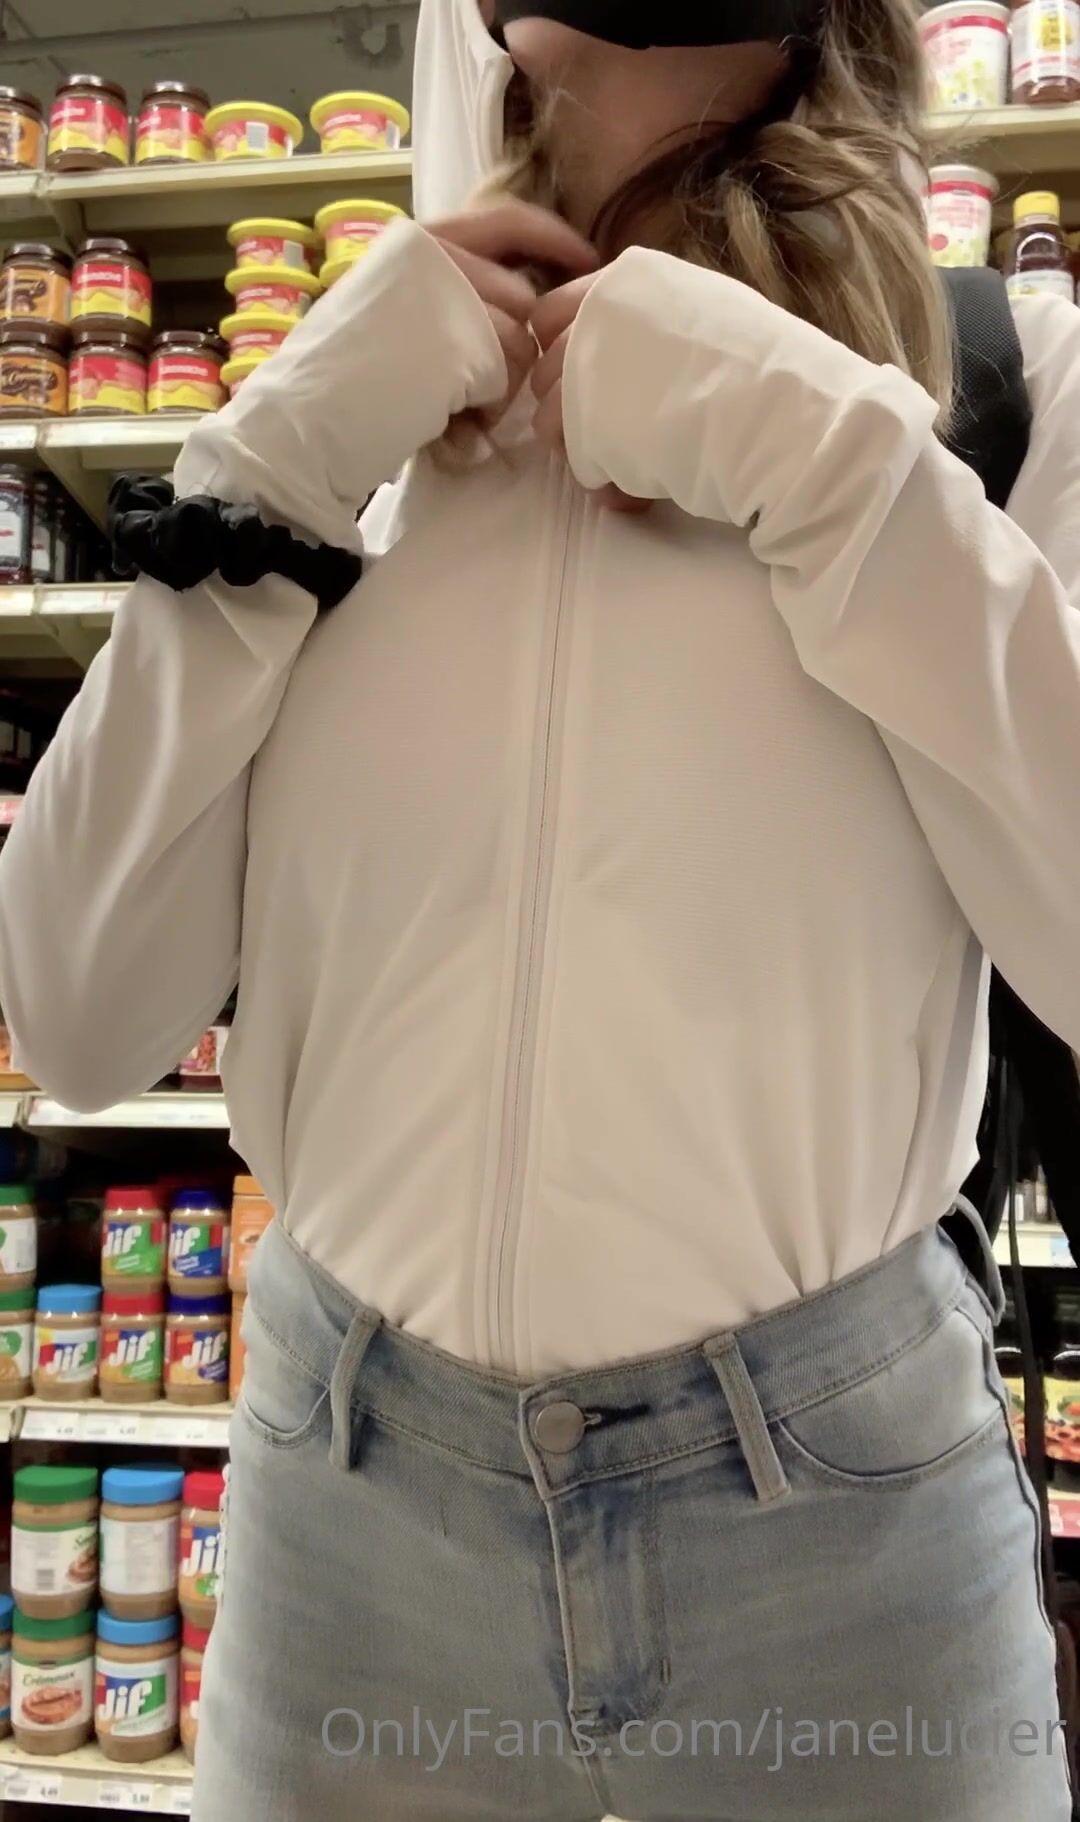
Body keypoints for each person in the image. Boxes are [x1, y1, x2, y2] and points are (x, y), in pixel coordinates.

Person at [0, 0, 1077, 1815]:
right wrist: (270, 466)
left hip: (841, 1532)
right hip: (350, 1521)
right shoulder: (362, 414)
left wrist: (844, 473)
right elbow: (79, 1011)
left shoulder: (997, 370)